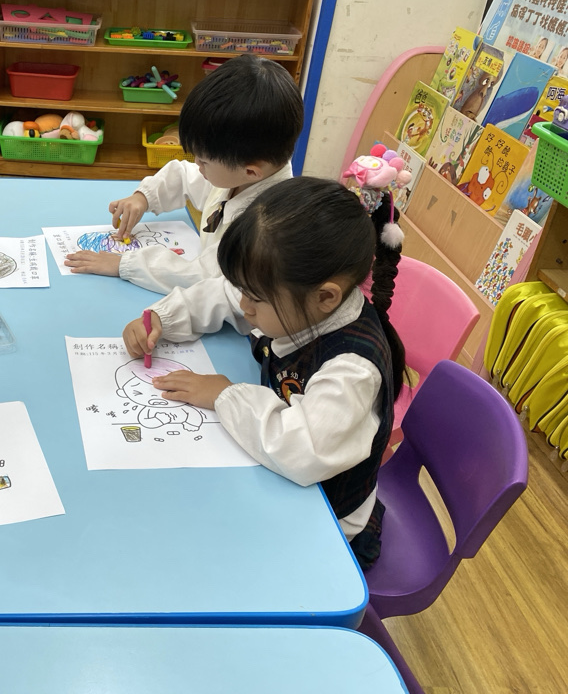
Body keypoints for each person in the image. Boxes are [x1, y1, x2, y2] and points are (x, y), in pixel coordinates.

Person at [122, 178, 405, 570]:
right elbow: (224, 295)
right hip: (281, 482)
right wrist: (163, 318)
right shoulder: (295, 297)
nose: (244, 305)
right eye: (244, 289)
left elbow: (302, 449)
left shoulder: (352, 372)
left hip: (328, 523)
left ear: (326, 297)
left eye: (254, 297)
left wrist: (224, 395)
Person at [63, 54, 304, 294]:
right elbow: (183, 176)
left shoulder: (262, 231)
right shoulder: (242, 171)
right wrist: (143, 197)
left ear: (251, 171)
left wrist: (124, 264)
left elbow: (203, 278)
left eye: (204, 161)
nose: (196, 164)